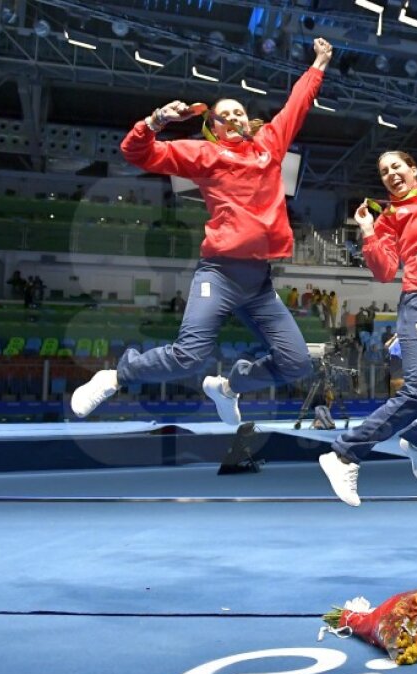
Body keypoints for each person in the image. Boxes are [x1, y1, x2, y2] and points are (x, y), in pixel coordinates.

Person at [70, 39, 333, 423]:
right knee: (189, 356)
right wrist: (157, 120)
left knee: (296, 364)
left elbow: (297, 104)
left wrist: (320, 63)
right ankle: (116, 375)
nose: (234, 117)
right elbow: (137, 153)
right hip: (220, 275)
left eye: (239, 112)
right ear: (213, 129)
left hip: (259, 283)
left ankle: (228, 386)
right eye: (224, 115)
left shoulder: (270, 146)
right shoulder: (205, 154)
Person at [317, 78, 417, 506]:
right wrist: (368, 230)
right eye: (384, 172)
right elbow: (385, 271)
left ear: (414, 169)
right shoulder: (388, 220)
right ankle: (344, 454)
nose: (391, 174)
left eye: (396, 166)